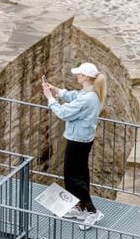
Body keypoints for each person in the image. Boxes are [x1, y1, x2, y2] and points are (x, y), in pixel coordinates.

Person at [42, 63, 108, 230]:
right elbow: (73, 96)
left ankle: (91, 211)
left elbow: (64, 113)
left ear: (85, 77)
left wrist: (50, 98)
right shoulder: (91, 93)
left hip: (78, 140)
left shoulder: (88, 98)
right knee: (80, 173)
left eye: (79, 74)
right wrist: (56, 90)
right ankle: (80, 207)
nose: (77, 76)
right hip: (83, 138)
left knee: (73, 177)